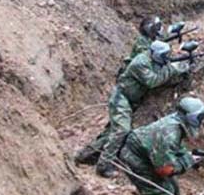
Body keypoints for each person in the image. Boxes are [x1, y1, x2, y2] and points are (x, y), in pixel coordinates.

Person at [74, 41, 189, 176]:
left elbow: (163, 72)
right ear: (156, 54)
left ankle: (84, 155)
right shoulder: (141, 62)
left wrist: (179, 69)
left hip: (130, 100)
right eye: (163, 55)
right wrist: (173, 69)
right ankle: (103, 166)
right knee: (122, 130)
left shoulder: (153, 60)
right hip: (121, 98)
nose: (166, 58)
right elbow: (153, 81)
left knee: (111, 132)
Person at [114, 96, 204, 195]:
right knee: (161, 193)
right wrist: (188, 161)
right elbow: (164, 170)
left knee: (173, 191)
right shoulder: (169, 133)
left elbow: (171, 151)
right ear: (191, 117)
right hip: (134, 158)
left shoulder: (177, 123)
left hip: (146, 156)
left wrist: (189, 156)